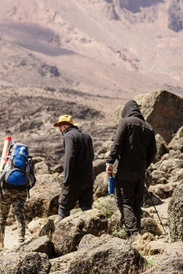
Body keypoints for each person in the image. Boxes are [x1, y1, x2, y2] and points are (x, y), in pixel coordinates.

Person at [106, 100, 157, 239]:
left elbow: (117, 143)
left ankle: (134, 234)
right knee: (136, 203)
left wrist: (110, 161)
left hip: (125, 170)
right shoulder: (149, 128)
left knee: (125, 201)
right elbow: (153, 151)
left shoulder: (125, 123)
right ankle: (138, 234)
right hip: (140, 172)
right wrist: (144, 165)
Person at [54, 114, 95, 222]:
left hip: (74, 180)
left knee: (63, 210)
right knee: (87, 211)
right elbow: (92, 156)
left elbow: (69, 158)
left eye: (59, 127)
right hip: (88, 179)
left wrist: (66, 180)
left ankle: (58, 237)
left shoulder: (69, 136)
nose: (59, 129)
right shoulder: (86, 136)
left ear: (63, 126)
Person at [0, 149, 27, 249]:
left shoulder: (3, 159)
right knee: (19, 214)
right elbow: (32, 178)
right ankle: (21, 239)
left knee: (2, 215)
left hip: (6, 191)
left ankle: (0, 241)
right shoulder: (26, 160)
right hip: (21, 191)